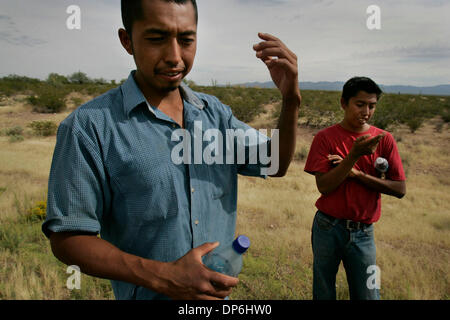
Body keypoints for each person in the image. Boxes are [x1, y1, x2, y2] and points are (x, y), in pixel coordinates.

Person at [42, 0, 301, 300]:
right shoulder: (89, 127)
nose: (175, 57)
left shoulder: (215, 115)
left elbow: (274, 163)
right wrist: (165, 278)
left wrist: (291, 100)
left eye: (186, 40)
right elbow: (68, 238)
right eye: (156, 39)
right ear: (127, 41)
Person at [304, 77, 406, 300]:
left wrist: (356, 174)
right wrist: (354, 156)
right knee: (323, 291)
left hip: (364, 233)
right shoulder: (325, 138)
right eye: (360, 104)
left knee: (370, 294)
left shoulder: (384, 140)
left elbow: (400, 188)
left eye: (372, 105)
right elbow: (324, 186)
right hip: (327, 227)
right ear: (343, 103)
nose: (366, 111)